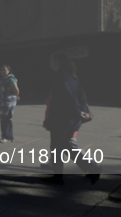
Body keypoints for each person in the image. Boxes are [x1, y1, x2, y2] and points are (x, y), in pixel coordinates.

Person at [41, 51, 100, 185]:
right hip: (70, 119)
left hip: (63, 119)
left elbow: (69, 97)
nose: (49, 62)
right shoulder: (72, 76)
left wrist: (78, 113)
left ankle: (61, 177)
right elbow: (82, 96)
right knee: (65, 146)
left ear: (57, 61)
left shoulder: (60, 76)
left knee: (57, 147)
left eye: (51, 59)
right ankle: (91, 168)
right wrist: (83, 112)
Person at [0, 64, 20, 143]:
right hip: (2, 102)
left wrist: (17, 96)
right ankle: (9, 137)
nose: (3, 71)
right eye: (1, 70)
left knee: (6, 119)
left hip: (8, 103)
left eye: (5, 70)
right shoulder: (3, 78)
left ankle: (6, 137)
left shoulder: (10, 79)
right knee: (5, 119)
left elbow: (16, 89)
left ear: (9, 71)